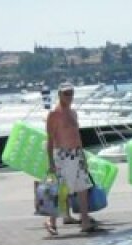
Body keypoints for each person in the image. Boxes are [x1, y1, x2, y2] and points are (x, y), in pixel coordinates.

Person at [45, 82, 96, 235]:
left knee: (83, 187)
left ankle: (85, 221)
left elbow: (77, 136)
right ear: (59, 94)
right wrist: (51, 163)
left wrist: (83, 157)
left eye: (71, 93)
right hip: (62, 154)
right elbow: (50, 139)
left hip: (76, 153)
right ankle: (51, 220)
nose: (70, 96)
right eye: (66, 93)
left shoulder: (73, 113)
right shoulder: (54, 113)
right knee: (61, 190)